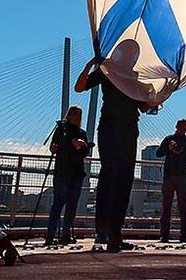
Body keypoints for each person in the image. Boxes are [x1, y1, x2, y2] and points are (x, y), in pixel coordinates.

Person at [75, 58, 146, 252]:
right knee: (109, 177)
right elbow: (79, 88)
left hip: (129, 130)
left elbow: (145, 106)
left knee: (124, 180)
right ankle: (104, 231)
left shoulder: (135, 78)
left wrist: (162, 93)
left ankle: (115, 233)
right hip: (110, 129)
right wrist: (90, 65)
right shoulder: (107, 71)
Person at [46, 105, 90, 245]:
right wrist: (53, 147)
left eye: (80, 115)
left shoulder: (82, 133)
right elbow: (53, 146)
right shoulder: (61, 130)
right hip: (62, 172)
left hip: (76, 173)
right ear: (69, 116)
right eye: (76, 114)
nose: (79, 117)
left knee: (72, 205)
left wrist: (83, 145)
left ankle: (65, 235)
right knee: (58, 203)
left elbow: (86, 152)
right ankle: (50, 236)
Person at [157, 119, 186, 243]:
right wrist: (169, 148)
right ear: (176, 126)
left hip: (181, 175)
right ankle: (164, 234)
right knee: (166, 206)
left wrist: (181, 151)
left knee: (183, 206)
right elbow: (159, 153)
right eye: (181, 127)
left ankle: (184, 234)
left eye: (184, 127)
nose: (182, 129)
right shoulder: (168, 139)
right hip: (169, 176)